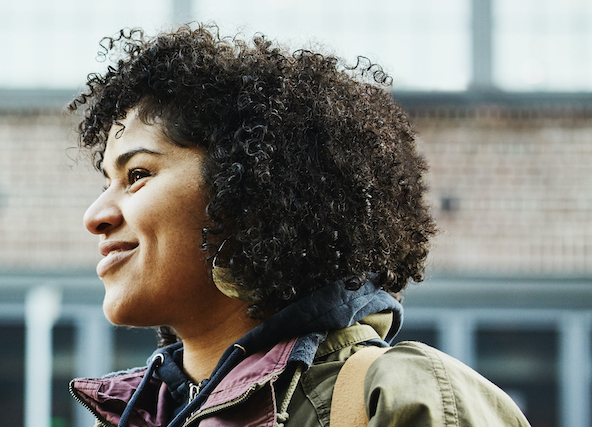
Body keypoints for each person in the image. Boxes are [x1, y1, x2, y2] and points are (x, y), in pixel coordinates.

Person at [67, 25, 530, 427]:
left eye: (138, 175)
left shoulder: (401, 402)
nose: (95, 215)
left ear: (245, 194)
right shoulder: (142, 414)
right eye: (106, 181)